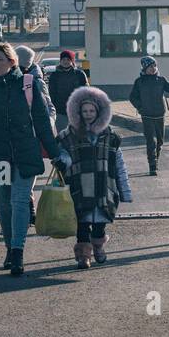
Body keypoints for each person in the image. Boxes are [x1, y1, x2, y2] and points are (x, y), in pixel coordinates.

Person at [0, 43, 70, 277]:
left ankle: (18, 251)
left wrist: (54, 152)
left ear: (12, 62)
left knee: (20, 201)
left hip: (24, 153)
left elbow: (41, 121)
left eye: (0, 59)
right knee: (5, 203)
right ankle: (10, 247)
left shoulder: (27, 84)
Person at [57, 85, 132, 268]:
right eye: (84, 110)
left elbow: (119, 164)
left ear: (99, 112)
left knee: (100, 223)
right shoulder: (68, 136)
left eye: (92, 110)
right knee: (81, 224)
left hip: (103, 188)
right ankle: (83, 255)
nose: (88, 114)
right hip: (78, 187)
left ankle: (98, 246)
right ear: (78, 112)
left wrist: (125, 190)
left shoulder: (110, 136)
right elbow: (60, 155)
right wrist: (63, 159)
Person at [129, 55, 169, 176]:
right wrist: (140, 108)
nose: (153, 68)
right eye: (150, 66)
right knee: (151, 141)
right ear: (145, 68)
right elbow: (132, 97)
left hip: (160, 114)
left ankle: (156, 159)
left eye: (154, 65)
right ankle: (152, 166)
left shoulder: (161, 80)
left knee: (160, 141)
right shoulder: (139, 82)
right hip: (147, 116)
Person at [47, 49, 88, 132]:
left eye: (68, 59)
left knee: (77, 135)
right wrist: (53, 107)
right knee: (62, 135)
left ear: (72, 61)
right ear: (60, 61)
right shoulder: (55, 75)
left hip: (76, 110)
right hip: (60, 111)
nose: (65, 62)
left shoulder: (79, 74)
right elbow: (51, 93)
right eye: (63, 59)